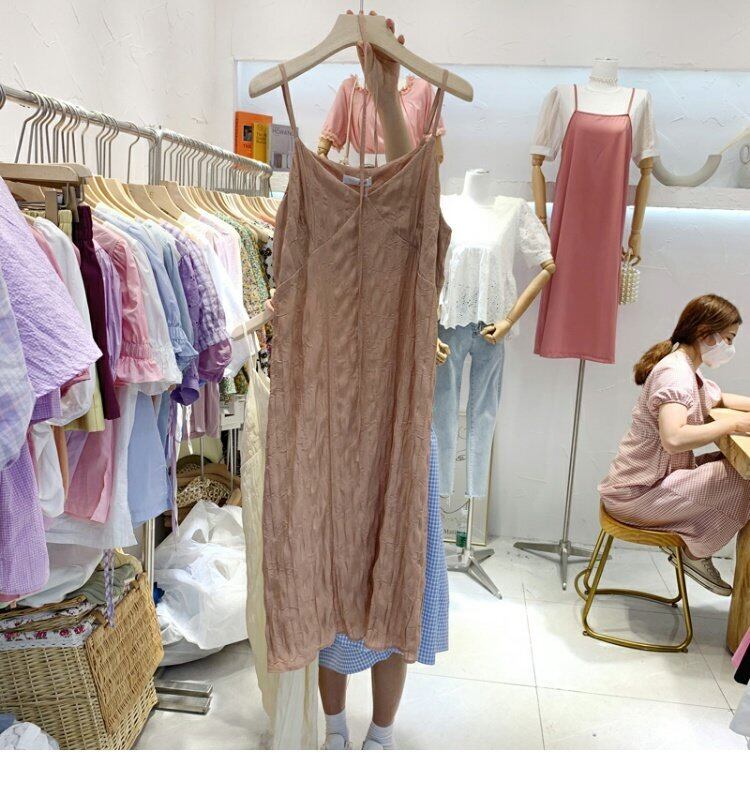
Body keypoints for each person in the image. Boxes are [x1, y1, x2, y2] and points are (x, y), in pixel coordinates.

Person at [265, 11, 448, 750]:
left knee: (393, 568)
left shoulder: (420, 163)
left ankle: (380, 735)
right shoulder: (312, 185)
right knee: (325, 576)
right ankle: (337, 731)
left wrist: (387, 88)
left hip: (396, 425)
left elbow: (420, 193)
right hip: (321, 427)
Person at [599, 294, 750, 595]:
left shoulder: (685, 367)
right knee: (743, 480)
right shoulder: (675, 375)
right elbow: (674, 438)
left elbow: (718, 398)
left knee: (730, 468)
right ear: (705, 333)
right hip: (636, 496)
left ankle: (696, 548)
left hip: (643, 485)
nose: (730, 348)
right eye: (729, 339)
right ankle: (695, 553)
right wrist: (733, 425)